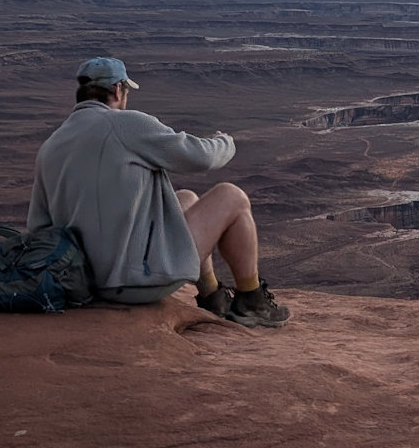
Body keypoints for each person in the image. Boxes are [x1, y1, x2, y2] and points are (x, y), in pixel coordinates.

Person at [27, 57, 288, 327]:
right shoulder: (126, 124)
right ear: (118, 90)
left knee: (185, 198)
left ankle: (213, 297)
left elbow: (38, 226)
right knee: (231, 196)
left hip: (84, 282)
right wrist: (225, 141)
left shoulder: (51, 145)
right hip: (134, 282)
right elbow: (201, 158)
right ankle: (252, 303)